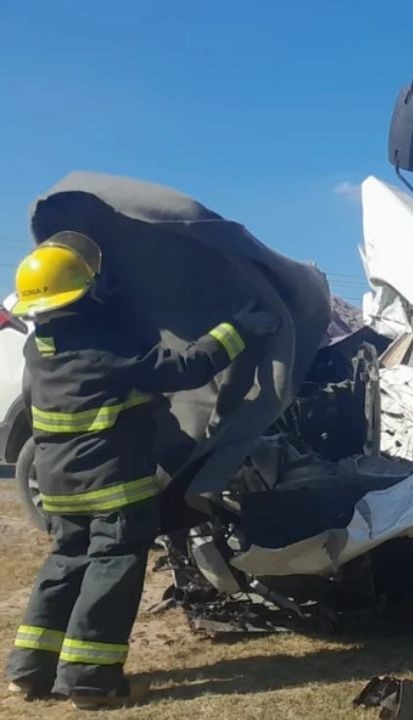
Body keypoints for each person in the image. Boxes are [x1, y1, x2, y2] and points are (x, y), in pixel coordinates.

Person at [4, 231, 278, 709]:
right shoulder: (107, 345)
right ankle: (91, 680)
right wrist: (238, 328)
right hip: (112, 484)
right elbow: (185, 368)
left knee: (66, 563)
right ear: (87, 290)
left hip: (58, 485)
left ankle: (28, 672)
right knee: (112, 568)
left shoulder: (37, 351)